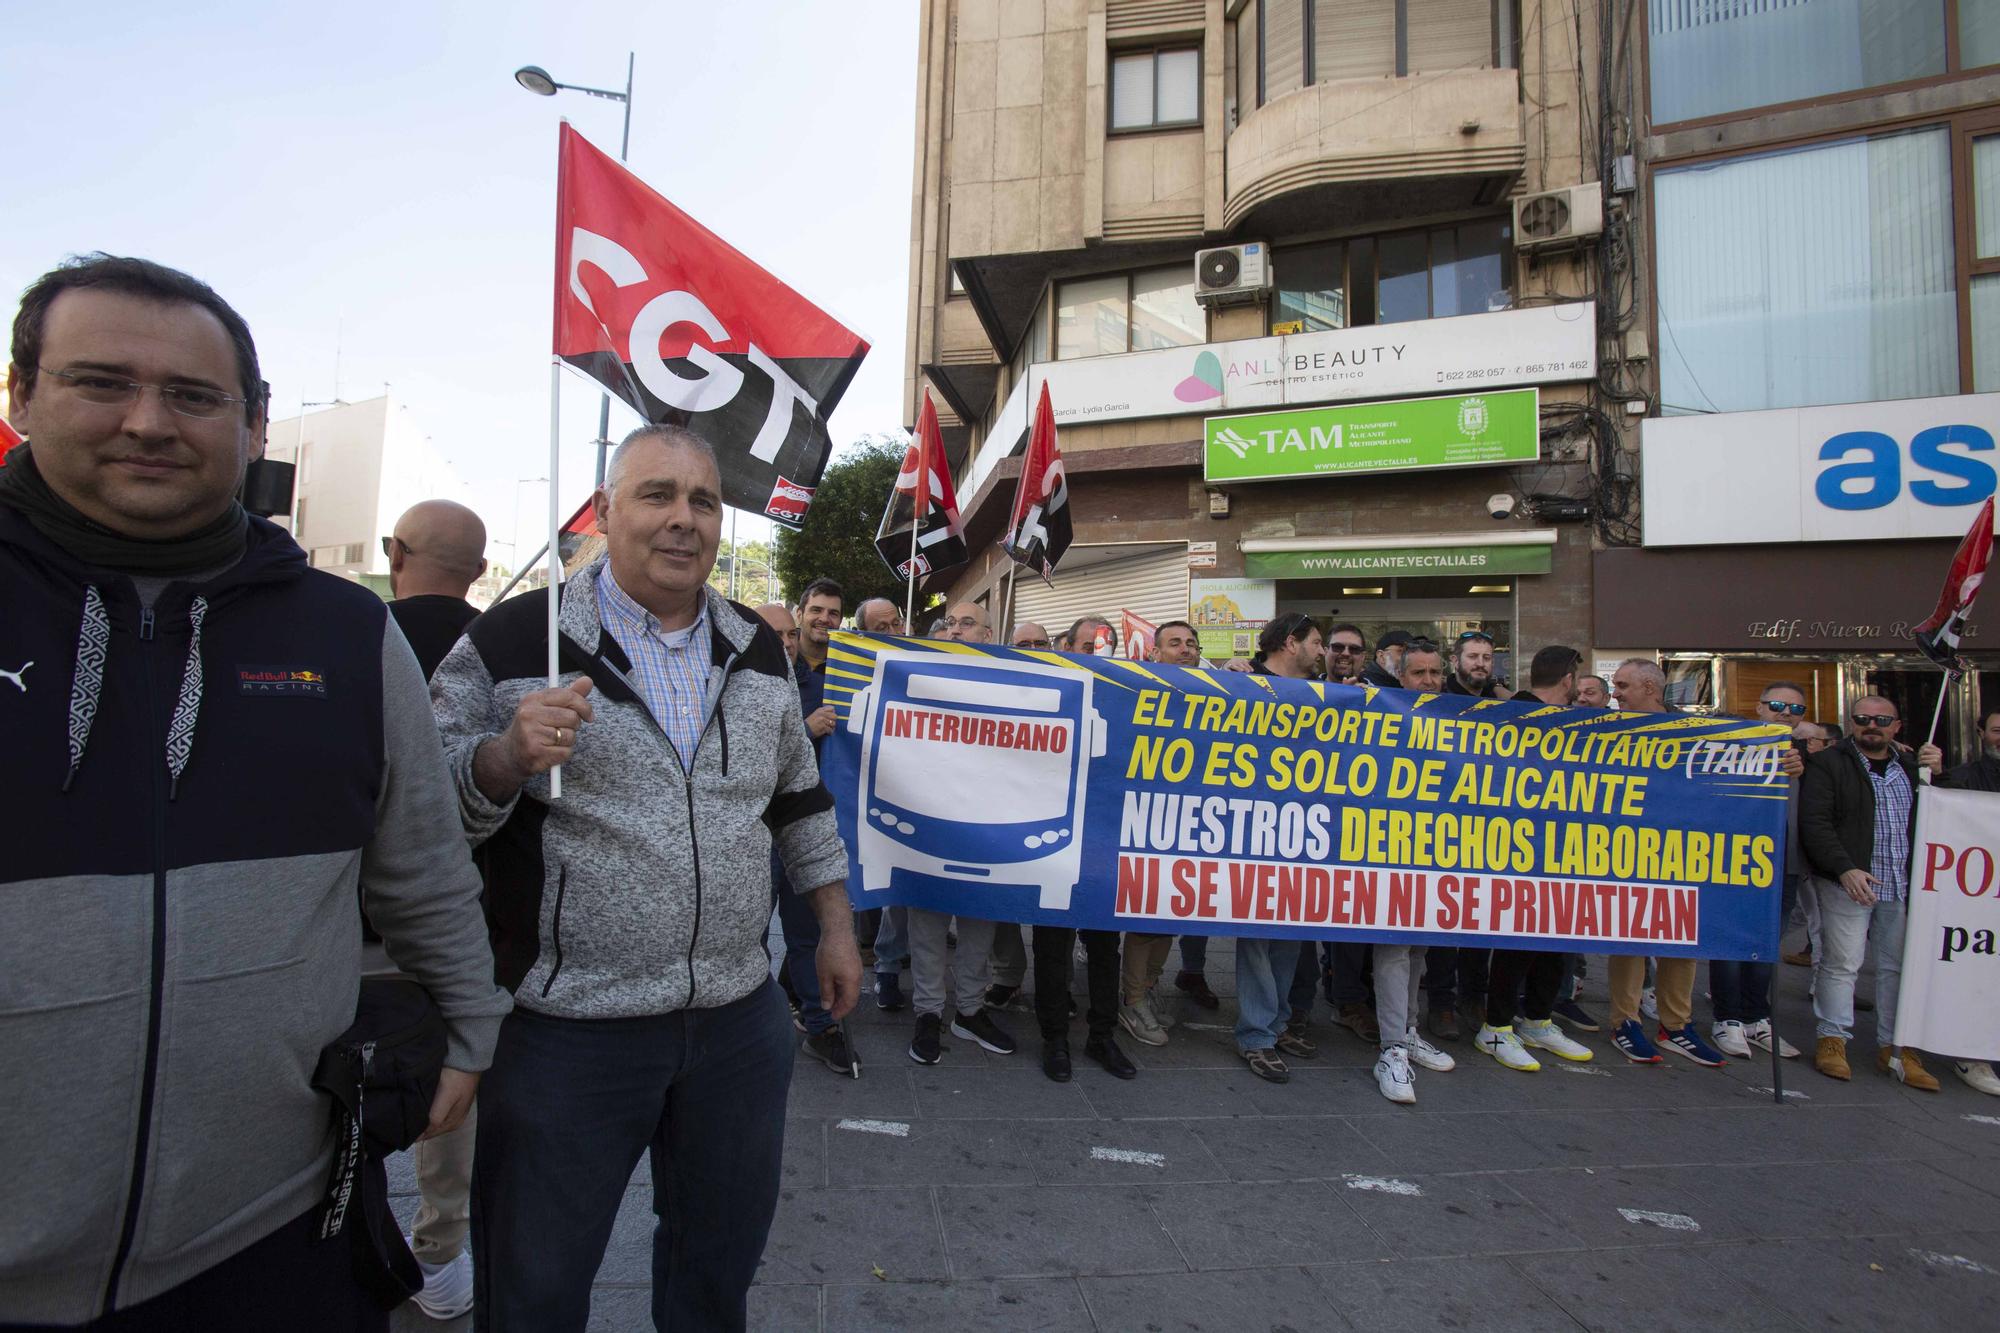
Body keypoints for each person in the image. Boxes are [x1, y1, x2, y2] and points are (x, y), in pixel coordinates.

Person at [0, 254, 508, 1330]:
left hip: (281, 1236)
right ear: (21, 394)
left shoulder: (343, 631)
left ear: (252, 421)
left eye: (192, 395)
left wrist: (469, 1026)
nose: (148, 421)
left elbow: (420, 865)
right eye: (100, 381)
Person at [432, 425, 858, 1330]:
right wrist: (503, 757)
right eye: (656, 495)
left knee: (716, 1270)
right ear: (608, 509)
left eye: (702, 501)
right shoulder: (515, 637)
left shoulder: (756, 646)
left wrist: (834, 923)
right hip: (565, 1030)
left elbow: (798, 796)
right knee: (535, 1281)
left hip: (738, 1024)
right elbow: (426, 809)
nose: (682, 520)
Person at [383, 498, 495, 1322]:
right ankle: (442, 1243)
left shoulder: (350, 635)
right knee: (462, 1077)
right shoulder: (502, 647)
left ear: (394, 551)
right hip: (476, 912)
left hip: (353, 917)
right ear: (480, 570)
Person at [1800, 695, 1947, 1090]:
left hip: (1901, 884)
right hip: (1847, 883)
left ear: (1896, 726)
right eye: (1863, 718)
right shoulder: (1828, 764)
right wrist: (1844, 867)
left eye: (1882, 719)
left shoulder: (1915, 770)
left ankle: (1897, 1046)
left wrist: (1941, 774)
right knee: (1841, 963)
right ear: (1852, 722)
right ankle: (1832, 1038)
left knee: (1898, 968)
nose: (1872, 725)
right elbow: (1815, 823)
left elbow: (1943, 822)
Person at [1603, 659, 1729, 1067]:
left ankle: (1676, 1026)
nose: (1615, 693)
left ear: (1650, 689)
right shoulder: (1605, 731)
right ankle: (1625, 1021)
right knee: (1630, 938)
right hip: (1627, 849)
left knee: (1681, 938)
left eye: (1623, 686)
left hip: (1680, 850)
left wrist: (1787, 763)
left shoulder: (1697, 733)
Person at [757, 596, 858, 1079]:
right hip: (752, 839)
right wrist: (806, 728)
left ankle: (822, 1026)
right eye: (773, 633)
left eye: (788, 635)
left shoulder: (814, 683)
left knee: (805, 935)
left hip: (799, 832)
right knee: (749, 936)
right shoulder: (729, 686)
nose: (785, 642)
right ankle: (750, 1024)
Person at [1369, 642, 1461, 1103]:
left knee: (1418, 947)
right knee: (1393, 948)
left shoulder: (1457, 719)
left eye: (1435, 673)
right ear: (1400, 677)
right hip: (1388, 845)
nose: (1427, 680)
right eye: (1418, 673)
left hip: (1435, 848)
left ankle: (1406, 1031)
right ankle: (1391, 1050)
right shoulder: (1379, 714)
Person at [1233, 614, 1322, 1081]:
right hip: (1255, 830)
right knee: (1256, 940)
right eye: (1316, 642)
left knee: (1290, 937)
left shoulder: (1325, 692)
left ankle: (1277, 1022)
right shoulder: (1240, 681)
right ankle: (1257, 1034)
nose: (1322, 651)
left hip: (1305, 831)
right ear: (1291, 643)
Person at [1704, 683, 1810, 1061]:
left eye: (1796, 709)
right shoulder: (1736, 745)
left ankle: (1756, 1016)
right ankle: (1727, 1017)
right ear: (1760, 707)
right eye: (1778, 705)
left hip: (1787, 863)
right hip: (1740, 860)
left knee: (1766, 945)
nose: (1786, 713)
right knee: (1731, 942)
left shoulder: (1808, 756)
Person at [1118, 620, 1206, 1044]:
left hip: (1188, 820)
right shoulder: (1137, 686)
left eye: (1191, 643)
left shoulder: (1213, 689)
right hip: (1145, 817)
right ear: (1154, 654)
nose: (1185, 649)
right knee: (1144, 914)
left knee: (1168, 912)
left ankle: (1146, 991)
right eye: (1175, 643)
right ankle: (1132, 1000)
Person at [795, 575, 842, 672]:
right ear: (800, 615)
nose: (824, 619)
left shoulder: (847, 667)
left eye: (833, 613)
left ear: (840, 621)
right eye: (816, 610)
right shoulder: (780, 658)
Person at [1443, 629, 1503, 698]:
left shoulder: (1501, 701)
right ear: (1456, 661)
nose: (1480, 664)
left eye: (1486, 658)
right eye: (1472, 656)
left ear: (1493, 662)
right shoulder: (1439, 698)